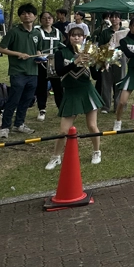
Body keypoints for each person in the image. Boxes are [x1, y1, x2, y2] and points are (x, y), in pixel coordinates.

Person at [44, 27, 102, 170]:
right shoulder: (61, 53)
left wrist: (100, 64)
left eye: (79, 36)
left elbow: (95, 76)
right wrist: (75, 62)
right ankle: (56, 157)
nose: (76, 38)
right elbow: (59, 71)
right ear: (68, 37)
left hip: (87, 91)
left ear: (84, 37)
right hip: (70, 92)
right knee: (64, 130)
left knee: (92, 126)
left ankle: (96, 152)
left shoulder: (89, 52)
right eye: (73, 35)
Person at [0, 3, 40, 139]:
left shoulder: (37, 33)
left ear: (35, 16)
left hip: (33, 72)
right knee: (14, 99)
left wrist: (38, 55)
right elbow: (0, 49)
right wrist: (18, 54)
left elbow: (38, 49)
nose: (26, 15)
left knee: (27, 100)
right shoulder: (14, 32)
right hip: (18, 71)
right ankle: (4, 127)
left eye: (29, 13)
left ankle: (19, 124)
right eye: (23, 13)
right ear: (20, 17)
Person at [33, 11, 64, 121]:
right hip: (41, 63)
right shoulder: (37, 32)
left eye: (49, 17)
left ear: (53, 19)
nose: (47, 20)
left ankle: (61, 108)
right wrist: (38, 54)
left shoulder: (57, 32)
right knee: (41, 86)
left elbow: (61, 46)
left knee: (58, 87)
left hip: (55, 63)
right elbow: (34, 46)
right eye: (45, 18)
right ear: (41, 20)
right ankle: (42, 109)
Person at [95, 11, 124, 114]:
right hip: (107, 58)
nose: (114, 19)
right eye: (112, 17)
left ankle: (119, 105)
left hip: (121, 58)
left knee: (120, 81)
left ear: (120, 19)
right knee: (106, 82)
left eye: (117, 17)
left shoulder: (124, 31)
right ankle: (105, 106)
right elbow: (100, 46)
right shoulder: (105, 32)